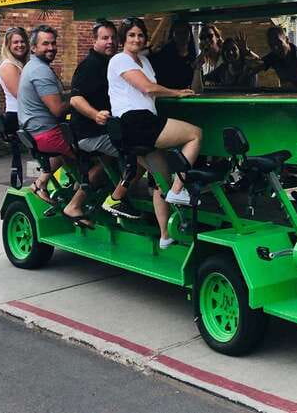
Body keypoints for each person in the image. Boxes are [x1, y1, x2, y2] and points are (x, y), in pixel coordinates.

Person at [107, 17, 201, 249]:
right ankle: (179, 190)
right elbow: (147, 88)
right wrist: (176, 92)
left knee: (161, 180)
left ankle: (165, 235)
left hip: (140, 123)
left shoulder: (144, 61)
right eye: (131, 35)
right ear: (123, 39)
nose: (136, 39)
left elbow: (152, 88)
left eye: (140, 35)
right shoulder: (119, 59)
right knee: (195, 134)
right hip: (135, 122)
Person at [18, 25, 94, 227]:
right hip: (47, 133)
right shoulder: (40, 71)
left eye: (53, 43)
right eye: (45, 44)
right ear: (33, 48)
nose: (51, 47)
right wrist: (79, 99)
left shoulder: (32, 66)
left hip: (36, 131)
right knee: (101, 159)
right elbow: (58, 109)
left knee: (73, 151)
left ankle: (41, 183)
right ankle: (77, 204)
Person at [69, 19, 145, 219]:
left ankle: (77, 204)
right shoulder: (90, 66)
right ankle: (117, 200)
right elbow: (75, 99)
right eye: (104, 38)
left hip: (102, 130)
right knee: (143, 156)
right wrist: (95, 114)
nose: (110, 42)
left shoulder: (113, 62)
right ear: (94, 40)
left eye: (113, 38)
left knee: (111, 159)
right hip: (91, 132)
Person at [0, 26, 29, 185]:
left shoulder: (20, 64)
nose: (20, 45)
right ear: (8, 45)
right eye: (15, 42)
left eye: (22, 41)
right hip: (17, 116)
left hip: (22, 114)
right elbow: (20, 94)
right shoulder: (9, 65)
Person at [151, 19, 197, 89]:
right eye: (178, 33)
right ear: (172, 35)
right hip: (166, 95)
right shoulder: (164, 55)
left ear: (190, 34)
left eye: (185, 32)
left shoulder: (193, 57)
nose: (182, 36)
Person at [191, 24, 224, 92]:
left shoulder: (225, 56)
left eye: (210, 36)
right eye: (203, 37)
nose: (206, 39)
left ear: (217, 37)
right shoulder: (203, 60)